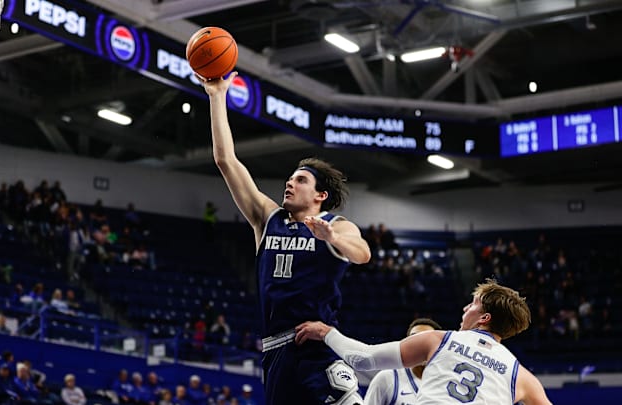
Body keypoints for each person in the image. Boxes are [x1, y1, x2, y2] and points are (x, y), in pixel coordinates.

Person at [201, 72, 371, 405]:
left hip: (316, 347)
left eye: (301, 180)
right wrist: (217, 96)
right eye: (289, 179)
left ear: (320, 194)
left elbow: (362, 253)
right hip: (275, 351)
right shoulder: (268, 218)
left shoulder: (337, 224)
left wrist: (332, 236)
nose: (289, 184)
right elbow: (225, 160)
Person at [295, 279, 553, 405]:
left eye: (472, 305)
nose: (465, 308)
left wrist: (327, 332)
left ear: (484, 318)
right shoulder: (522, 377)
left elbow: (364, 358)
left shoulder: (441, 340)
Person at [364, 318, 442, 405]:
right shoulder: (387, 379)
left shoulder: (447, 383)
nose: (420, 346)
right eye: (415, 339)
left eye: (427, 340)